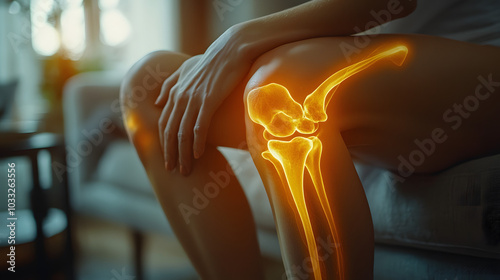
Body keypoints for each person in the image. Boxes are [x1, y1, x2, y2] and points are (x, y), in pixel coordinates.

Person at [120, 0, 500, 279]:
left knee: (282, 91)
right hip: (396, 87)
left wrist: (239, 40)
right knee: (148, 86)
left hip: (484, 70)